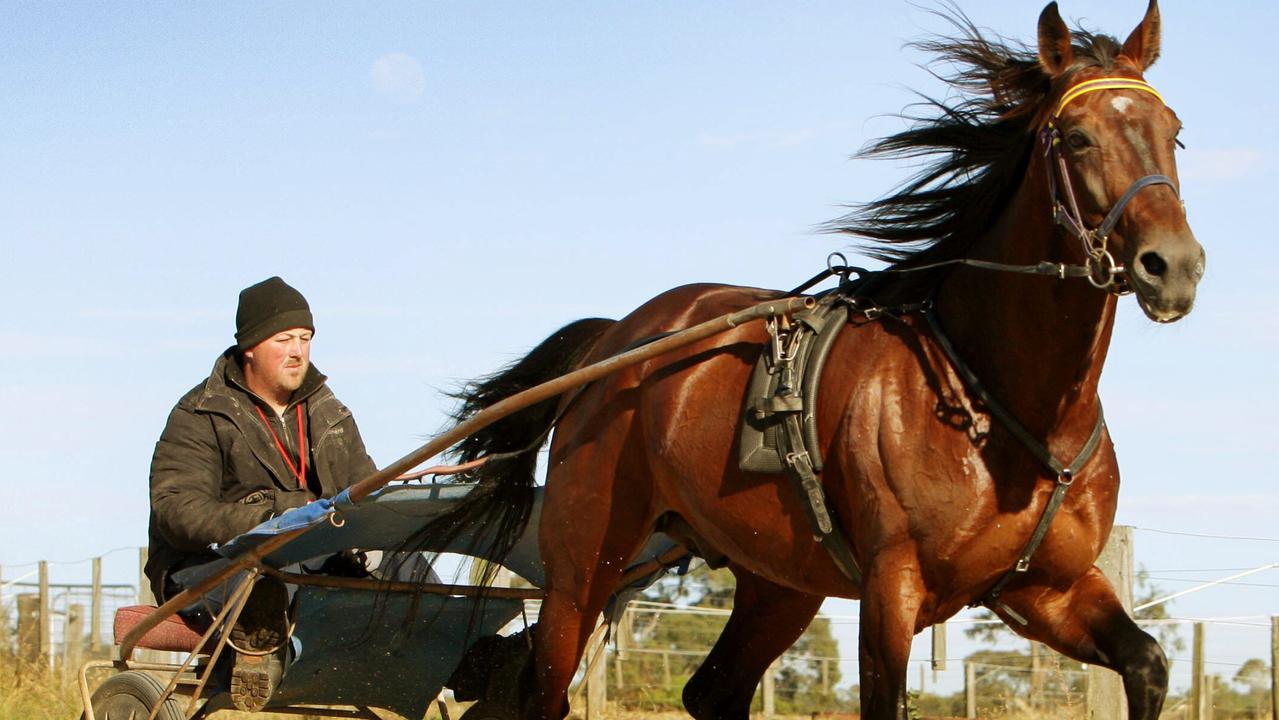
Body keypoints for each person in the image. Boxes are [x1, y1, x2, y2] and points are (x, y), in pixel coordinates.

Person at [144, 276, 377, 711]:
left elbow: (365, 492)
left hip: (310, 560)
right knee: (266, 581)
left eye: (305, 338)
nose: (298, 350)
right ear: (249, 346)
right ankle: (256, 655)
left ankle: (482, 662)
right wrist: (281, 513)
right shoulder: (201, 413)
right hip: (209, 568)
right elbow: (176, 511)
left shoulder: (329, 412)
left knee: (406, 562)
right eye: (284, 338)